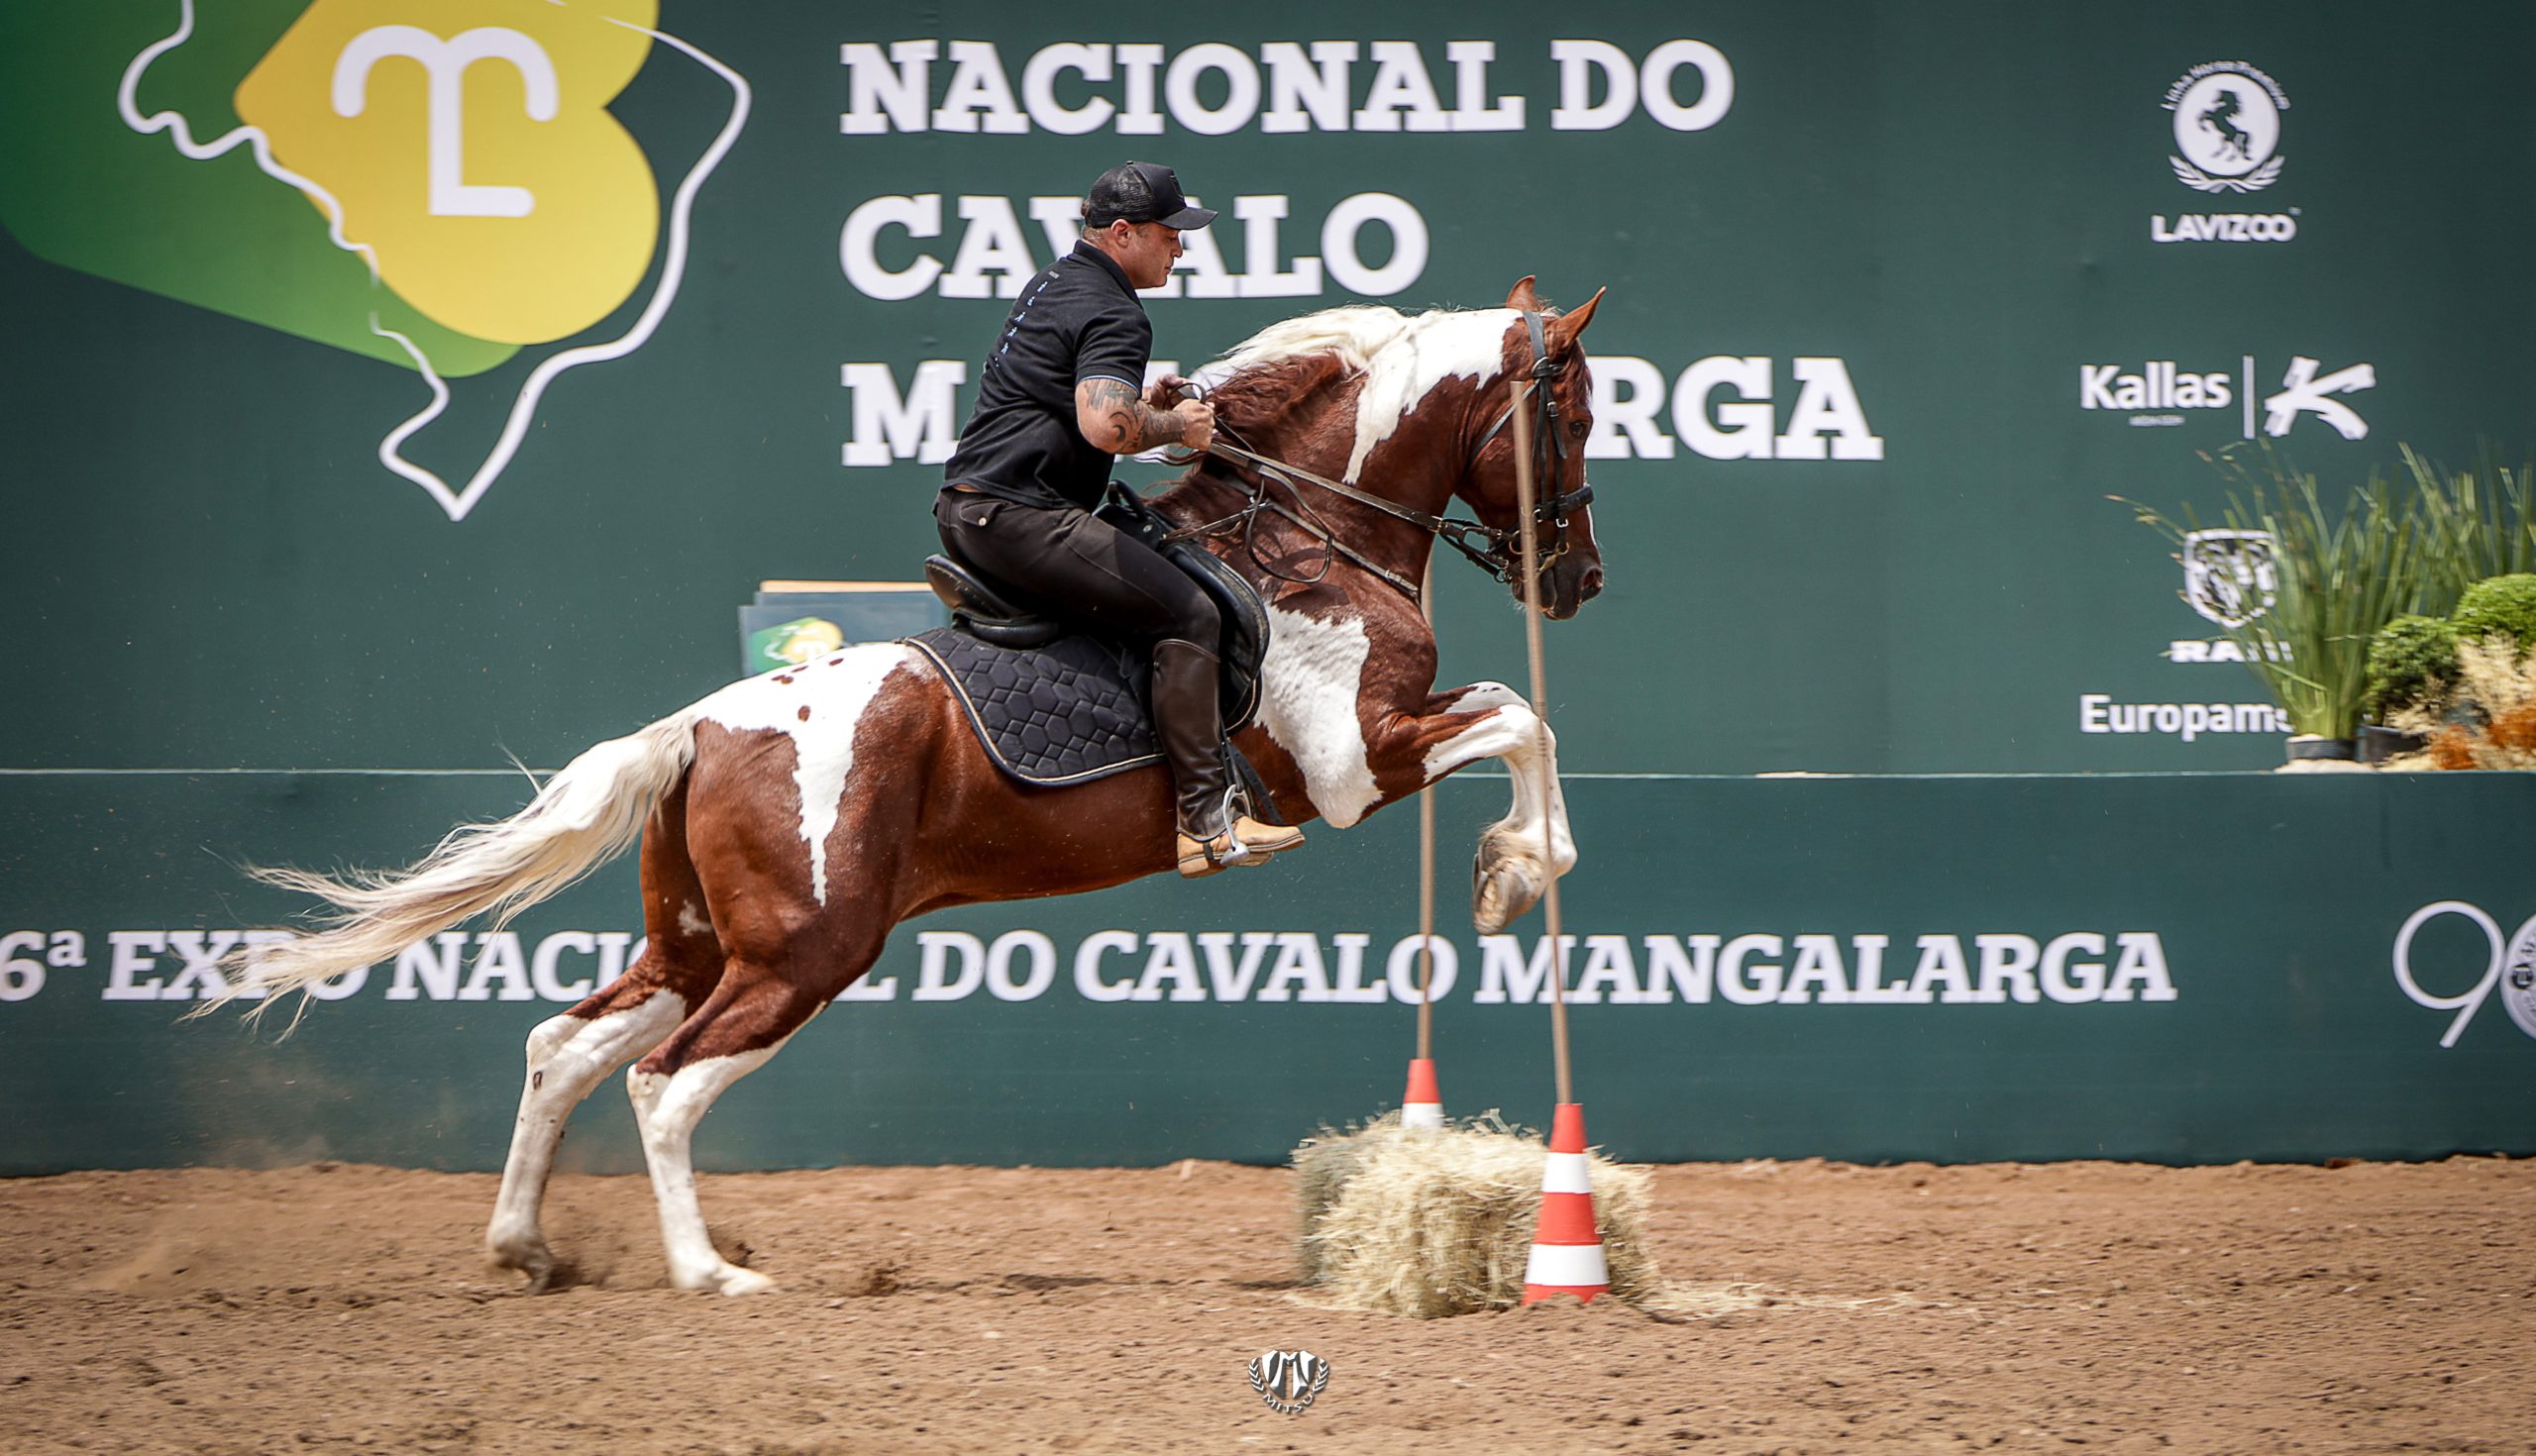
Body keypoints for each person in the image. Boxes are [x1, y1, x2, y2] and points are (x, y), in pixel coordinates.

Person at [934, 161, 1304, 878]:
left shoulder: (1058, 280)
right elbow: (1106, 425)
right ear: (1125, 233)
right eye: (1170, 235)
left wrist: (1154, 407)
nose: (1181, 250)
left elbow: (1080, 402)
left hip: (976, 509)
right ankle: (1207, 821)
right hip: (1020, 515)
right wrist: (1178, 426)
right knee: (1191, 614)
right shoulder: (1115, 309)